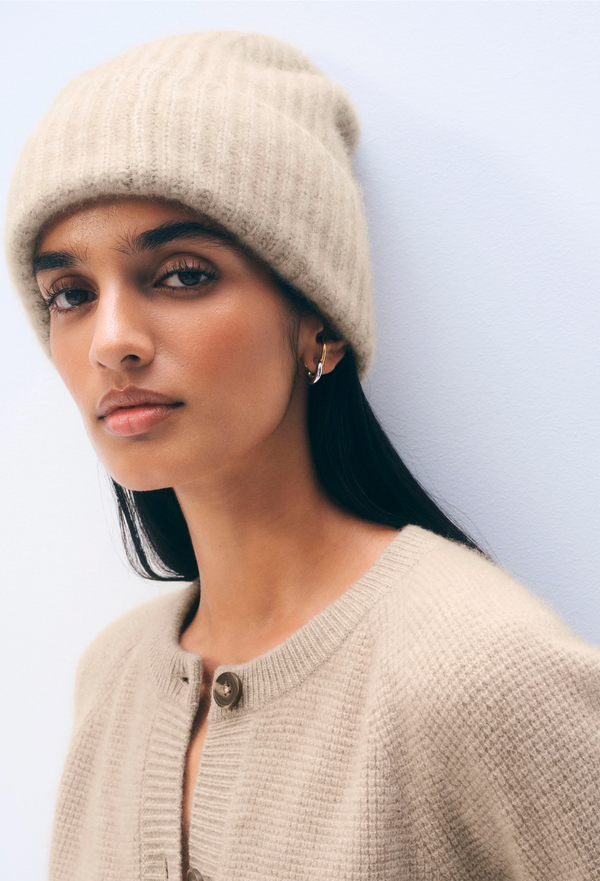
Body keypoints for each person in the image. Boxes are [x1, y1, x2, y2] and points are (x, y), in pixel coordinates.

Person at [4, 30, 600, 881]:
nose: (111, 342)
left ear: (316, 318)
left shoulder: (475, 670)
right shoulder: (114, 677)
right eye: (70, 293)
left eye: (180, 274)